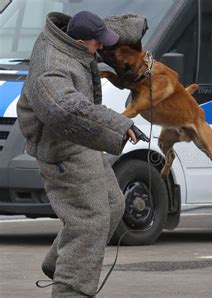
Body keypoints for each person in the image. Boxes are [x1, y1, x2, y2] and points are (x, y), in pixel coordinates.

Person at [17, 11, 137, 297]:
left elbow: (113, 28)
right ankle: (70, 288)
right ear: (81, 41)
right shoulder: (52, 67)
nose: (101, 50)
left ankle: (59, 263)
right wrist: (118, 125)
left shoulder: (69, 37)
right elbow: (65, 109)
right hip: (61, 149)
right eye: (97, 44)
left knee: (113, 205)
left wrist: (139, 25)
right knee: (90, 220)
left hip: (81, 138)